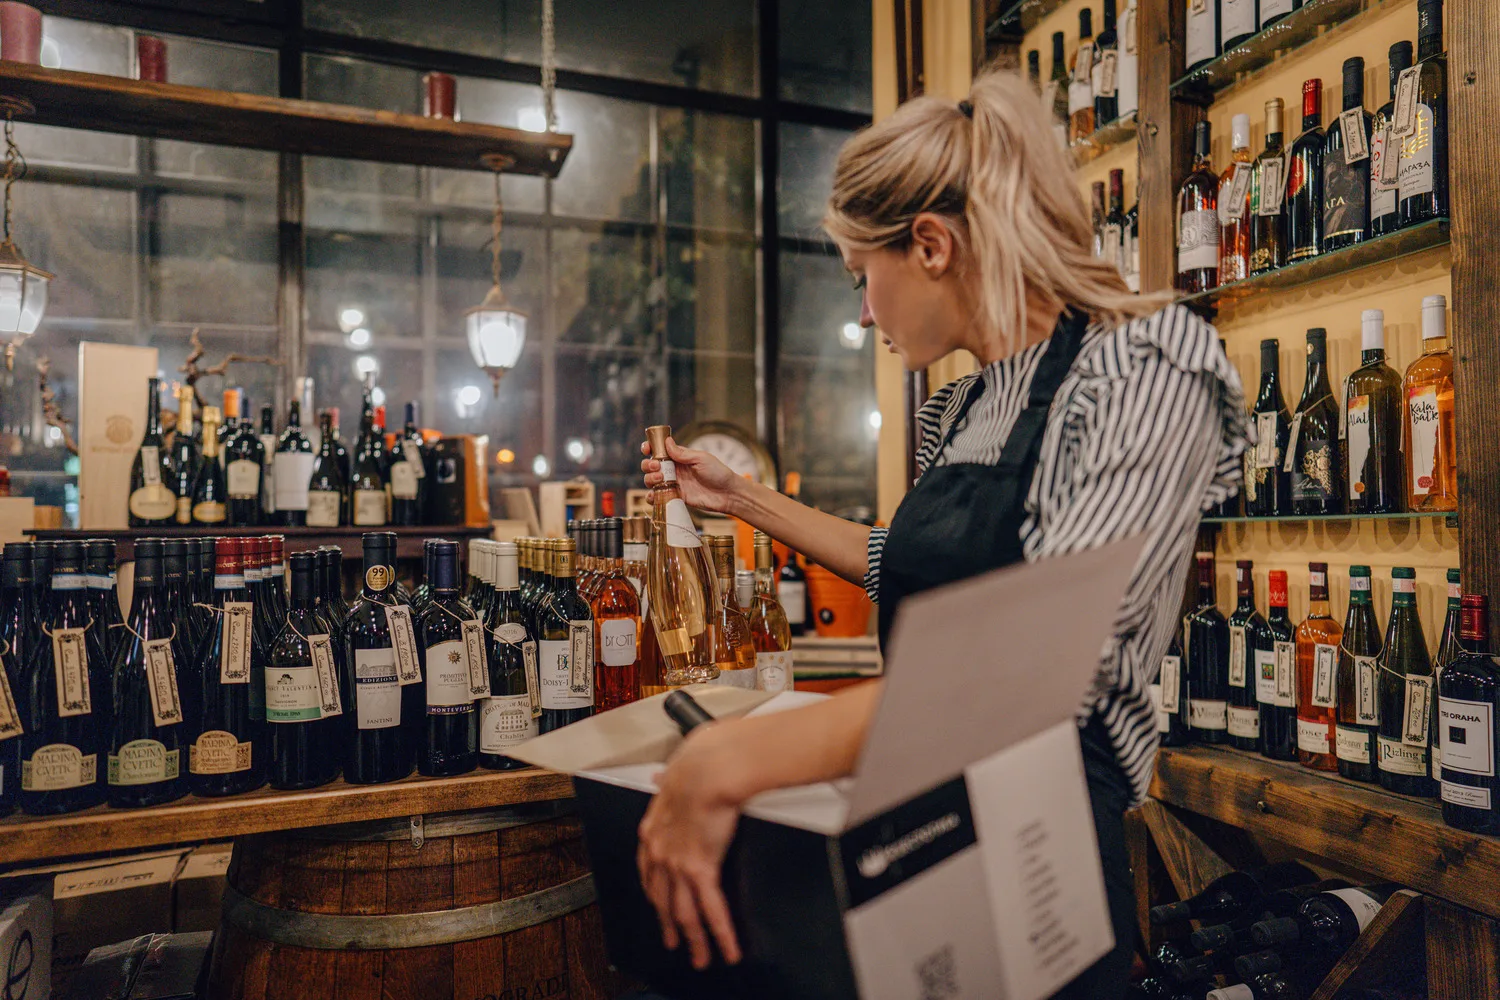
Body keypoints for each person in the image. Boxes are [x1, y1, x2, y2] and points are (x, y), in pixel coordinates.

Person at [635, 71, 1251, 999]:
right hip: (917, 818)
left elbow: (1037, 667)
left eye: (861, 278)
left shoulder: (1145, 367)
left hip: (1045, 841)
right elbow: (902, 568)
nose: (863, 313)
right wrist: (743, 498)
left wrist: (729, 756)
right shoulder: (961, 406)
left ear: (930, 244)